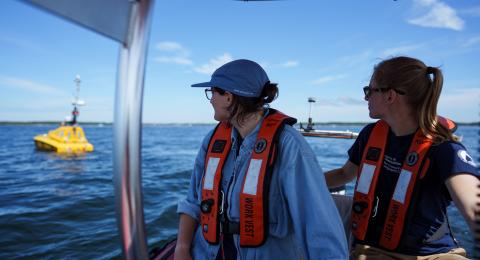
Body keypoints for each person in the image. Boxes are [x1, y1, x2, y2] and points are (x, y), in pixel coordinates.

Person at [175, 59, 348, 260]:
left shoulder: (289, 146)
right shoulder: (213, 140)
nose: (211, 99)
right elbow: (193, 201)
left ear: (228, 97)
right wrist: (182, 247)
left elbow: (320, 228)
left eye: (212, 92)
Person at [325, 56, 480, 259]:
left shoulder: (444, 149)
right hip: (375, 251)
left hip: (436, 255)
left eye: (369, 90)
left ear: (390, 96)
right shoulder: (369, 136)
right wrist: (299, 183)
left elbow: (473, 208)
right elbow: (345, 173)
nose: (366, 98)